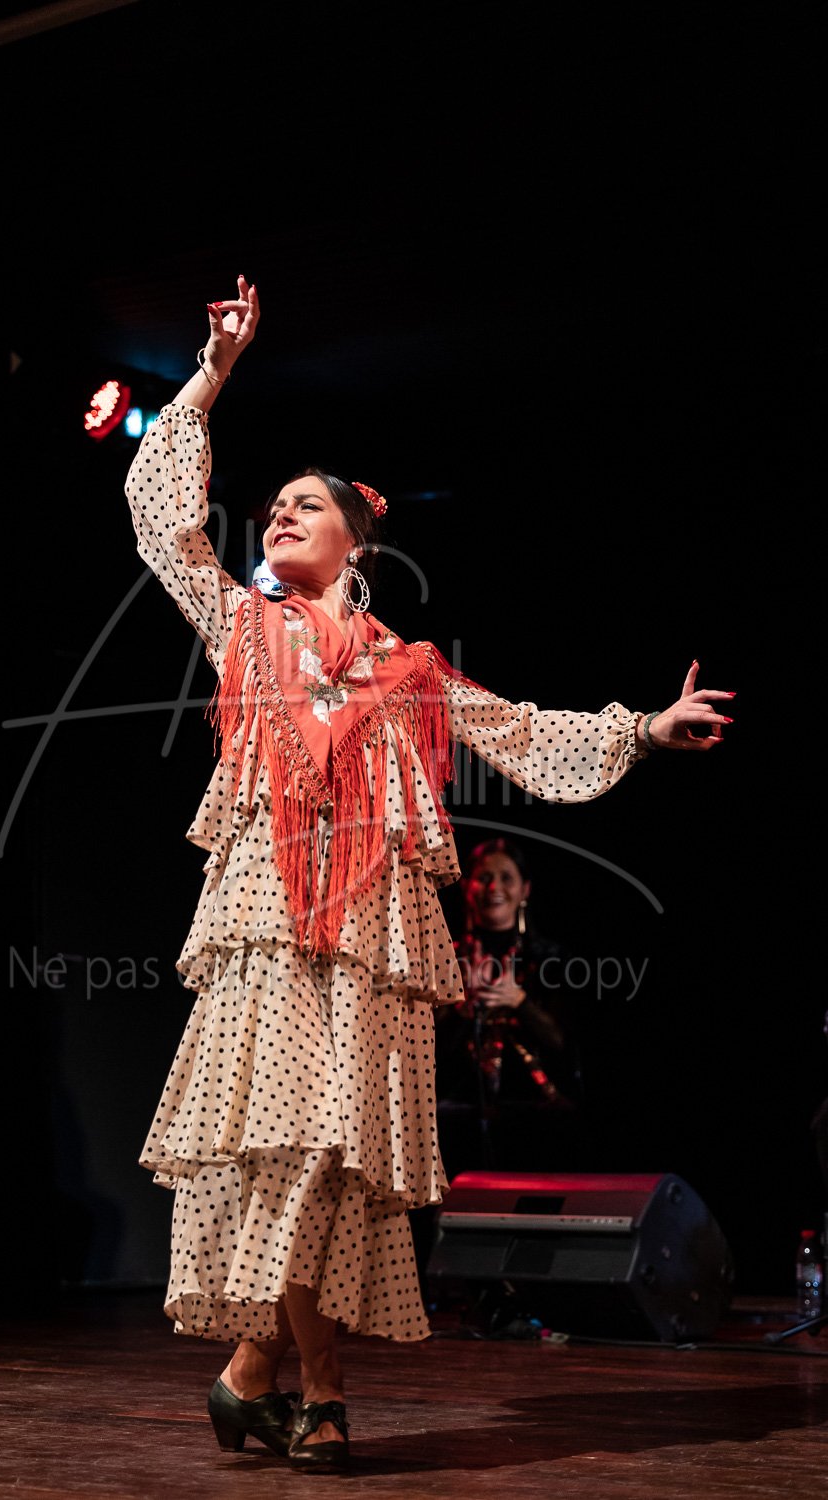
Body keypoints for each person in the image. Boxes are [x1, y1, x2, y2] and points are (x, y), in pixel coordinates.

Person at [123, 275, 733, 1469]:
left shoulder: (409, 672)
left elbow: (520, 733)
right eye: (273, 506)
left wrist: (644, 730)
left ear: (358, 540)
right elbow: (159, 518)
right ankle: (314, 1391)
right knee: (294, 1151)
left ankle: (252, 1377)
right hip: (266, 917)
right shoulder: (240, 628)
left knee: (335, 1166)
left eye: (305, 505)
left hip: (376, 930)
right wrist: (213, 371)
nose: (279, 515)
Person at [433, 835, 586, 1184]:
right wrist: (461, 1007)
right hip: (457, 1120)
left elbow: (565, 1044)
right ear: (467, 886)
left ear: (524, 890)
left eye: (506, 878)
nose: (494, 888)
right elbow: (423, 1052)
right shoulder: (444, 958)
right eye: (484, 878)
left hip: (538, 1119)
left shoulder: (549, 958)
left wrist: (519, 1002)